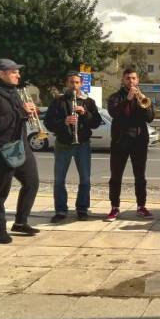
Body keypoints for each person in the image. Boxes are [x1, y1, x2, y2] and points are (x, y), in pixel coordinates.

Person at [0, 58, 40, 244]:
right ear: (1, 73)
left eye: (17, 71)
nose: (18, 75)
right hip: (1, 150)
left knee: (32, 183)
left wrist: (27, 112)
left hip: (21, 145)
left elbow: (17, 117)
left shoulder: (14, 92)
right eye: (14, 71)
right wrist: (21, 113)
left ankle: (21, 222)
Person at [44, 71, 102, 222]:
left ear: (81, 84)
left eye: (77, 82)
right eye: (71, 82)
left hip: (82, 144)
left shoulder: (88, 102)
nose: (74, 85)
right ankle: (61, 210)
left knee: (85, 179)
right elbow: (48, 123)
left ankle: (82, 209)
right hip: (63, 144)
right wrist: (64, 122)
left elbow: (96, 122)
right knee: (59, 180)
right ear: (67, 83)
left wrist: (85, 113)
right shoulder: (58, 101)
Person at [106, 67, 155, 221]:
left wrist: (141, 100)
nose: (131, 81)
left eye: (133, 78)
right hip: (120, 141)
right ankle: (114, 207)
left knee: (140, 176)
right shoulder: (115, 97)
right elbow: (114, 113)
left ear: (138, 80)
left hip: (139, 141)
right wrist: (127, 99)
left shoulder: (143, 98)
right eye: (128, 78)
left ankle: (141, 206)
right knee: (116, 176)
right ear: (123, 80)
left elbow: (150, 117)